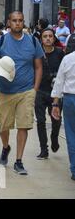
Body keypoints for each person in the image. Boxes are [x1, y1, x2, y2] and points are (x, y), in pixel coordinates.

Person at [0, 11, 44, 175]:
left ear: (24, 22)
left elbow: (38, 66)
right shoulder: (0, 41)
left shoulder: (33, 41)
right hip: (5, 91)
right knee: (3, 126)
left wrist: (34, 89)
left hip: (26, 90)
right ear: (8, 22)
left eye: (20, 20)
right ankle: (6, 147)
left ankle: (19, 161)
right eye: (14, 21)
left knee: (24, 126)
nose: (17, 23)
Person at [34, 28, 64, 159]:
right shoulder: (37, 53)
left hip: (55, 93)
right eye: (45, 36)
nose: (47, 38)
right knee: (40, 121)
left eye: (50, 36)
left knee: (56, 120)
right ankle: (43, 149)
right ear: (41, 39)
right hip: (40, 91)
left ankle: (54, 137)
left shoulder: (59, 53)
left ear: (54, 38)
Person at [51, 47, 75, 181]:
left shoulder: (68, 58)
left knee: (71, 135)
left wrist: (55, 103)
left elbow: (59, 81)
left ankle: (74, 169)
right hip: (69, 98)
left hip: (70, 99)